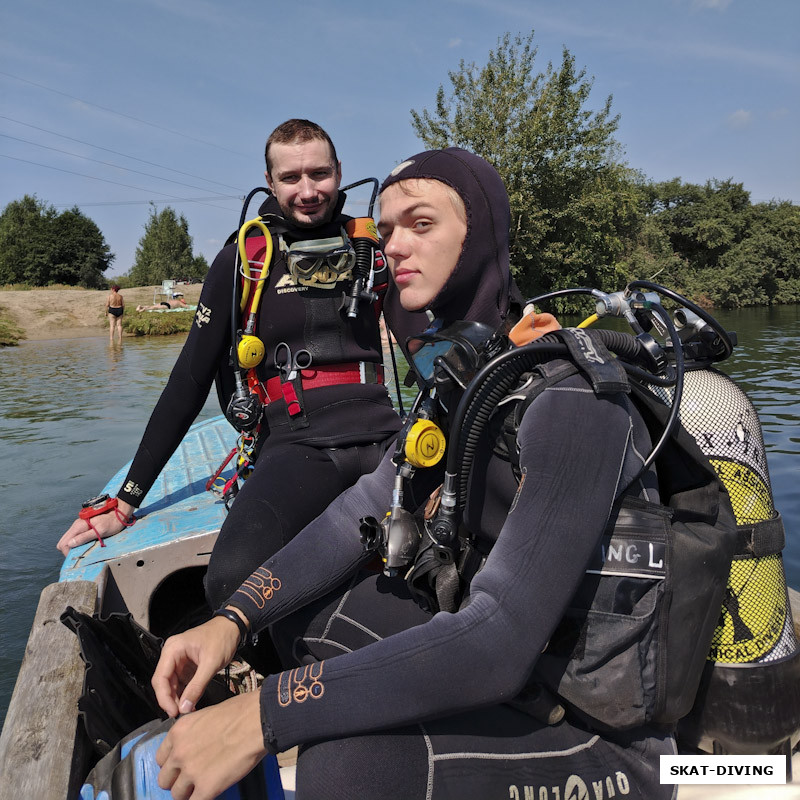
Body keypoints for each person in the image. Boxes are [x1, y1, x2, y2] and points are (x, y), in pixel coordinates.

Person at [148, 149, 680, 800]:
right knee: (293, 615)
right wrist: (230, 620)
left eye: (420, 225)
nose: (395, 245)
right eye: (389, 227)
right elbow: (356, 515)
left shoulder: (571, 400)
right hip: (513, 674)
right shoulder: (468, 382)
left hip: (603, 736)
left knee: (345, 766)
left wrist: (263, 715)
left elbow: (496, 640)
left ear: (480, 233)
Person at [57, 119, 424, 647]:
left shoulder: (373, 250)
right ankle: (361, 654)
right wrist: (126, 498)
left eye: (319, 173)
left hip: (387, 437)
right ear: (270, 183)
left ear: (339, 173)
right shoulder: (243, 260)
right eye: (291, 176)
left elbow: (426, 347)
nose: (307, 190)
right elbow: (189, 379)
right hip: (298, 446)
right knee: (231, 580)